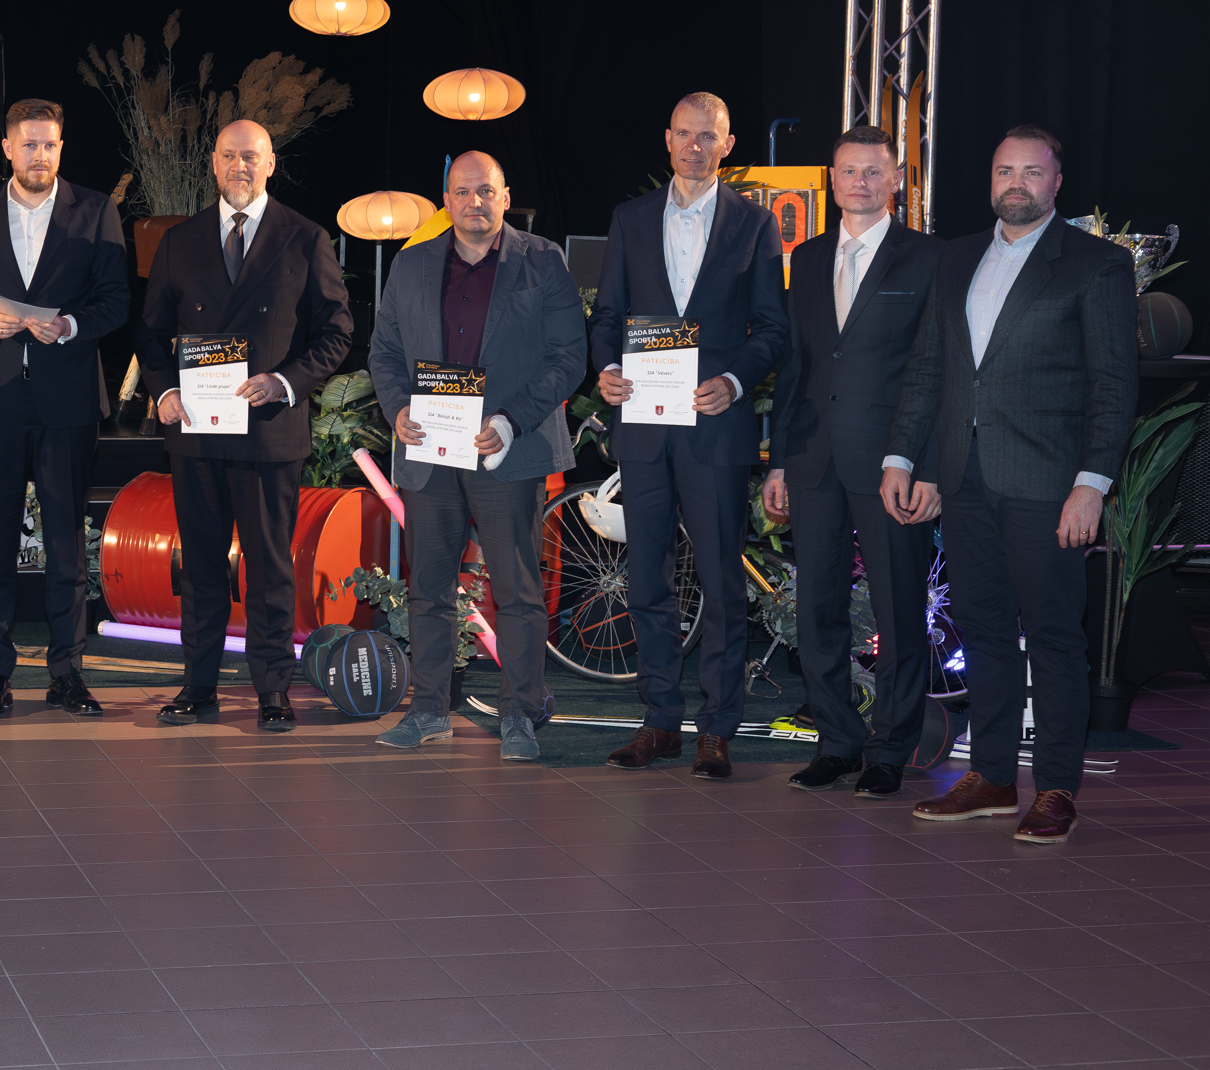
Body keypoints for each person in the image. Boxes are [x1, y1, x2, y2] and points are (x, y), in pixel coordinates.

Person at [881, 125, 1136, 842]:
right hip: (963, 480)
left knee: (1053, 636)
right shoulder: (956, 256)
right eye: (1004, 171)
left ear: (1057, 182)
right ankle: (991, 776)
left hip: (1049, 484)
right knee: (984, 631)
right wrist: (903, 457)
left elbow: (1113, 385)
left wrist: (1091, 484)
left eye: (1031, 171)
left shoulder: (1096, 263)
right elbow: (929, 367)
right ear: (990, 180)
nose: (1015, 183)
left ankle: (1055, 787)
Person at [588, 92, 787, 780]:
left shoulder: (755, 224)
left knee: (722, 582)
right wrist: (608, 369)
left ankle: (718, 727)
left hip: (714, 427)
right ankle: (660, 720)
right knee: (647, 578)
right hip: (644, 424)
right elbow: (606, 315)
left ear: (727, 145)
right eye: (684, 134)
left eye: (709, 136)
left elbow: (774, 329)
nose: (695, 146)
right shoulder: (631, 218)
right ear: (667, 139)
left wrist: (733, 381)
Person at [134, 119, 354, 731]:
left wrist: (284, 381)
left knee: (269, 567)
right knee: (200, 567)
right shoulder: (179, 241)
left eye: (251, 156)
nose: (240, 167)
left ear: (271, 164)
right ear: (213, 163)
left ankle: (273, 688)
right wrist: (165, 389)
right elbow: (150, 333)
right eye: (229, 156)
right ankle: (198, 685)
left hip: (268, 430)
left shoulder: (305, 237)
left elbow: (337, 332)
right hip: (198, 429)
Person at [368, 152, 587, 761]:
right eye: (463, 192)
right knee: (428, 589)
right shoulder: (412, 264)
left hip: (506, 451)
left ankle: (520, 713)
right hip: (430, 451)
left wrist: (510, 420)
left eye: (486, 191)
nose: (475, 202)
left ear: (505, 196)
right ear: (446, 200)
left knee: (516, 590)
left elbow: (569, 357)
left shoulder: (543, 260)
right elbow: (384, 352)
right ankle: (428, 710)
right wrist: (398, 409)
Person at [0, 99, 130, 717]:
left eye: (50, 145)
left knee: (67, 544)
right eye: (29, 144)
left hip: (67, 400)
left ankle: (68, 672)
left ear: (61, 148)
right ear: (7, 148)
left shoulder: (95, 211)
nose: (40, 155)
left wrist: (70, 325)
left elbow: (117, 300)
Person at [763, 127, 943, 796]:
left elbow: (939, 370)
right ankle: (836, 742)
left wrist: (925, 466)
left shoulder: (929, 258)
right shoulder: (808, 256)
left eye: (873, 171)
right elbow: (797, 366)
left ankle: (890, 749)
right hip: (813, 460)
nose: (860, 182)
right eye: (848, 171)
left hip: (893, 463)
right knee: (816, 610)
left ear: (896, 179)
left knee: (899, 612)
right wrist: (779, 461)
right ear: (831, 180)